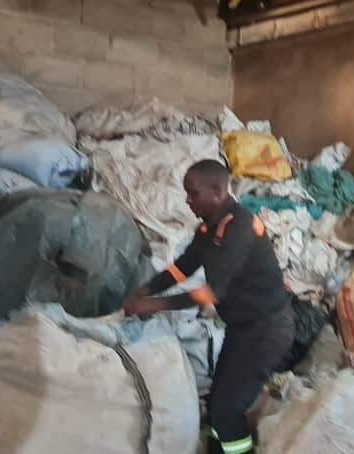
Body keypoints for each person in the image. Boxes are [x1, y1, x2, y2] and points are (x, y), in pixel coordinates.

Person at [123, 159, 294, 454]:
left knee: (228, 409)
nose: (187, 200)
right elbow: (182, 268)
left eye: (193, 193)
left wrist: (154, 304)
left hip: (267, 331)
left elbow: (211, 293)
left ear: (217, 191)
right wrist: (145, 289)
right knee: (218, 404)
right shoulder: (208, 230)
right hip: (244, 329)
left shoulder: (239, 228)